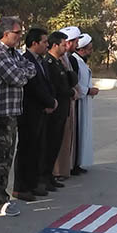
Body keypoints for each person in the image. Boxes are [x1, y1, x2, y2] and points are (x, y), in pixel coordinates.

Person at [0, 16, 36, 216]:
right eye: (17, 33)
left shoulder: (14, 53)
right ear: (5, 33)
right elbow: (17, 78)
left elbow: (30, 68)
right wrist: (22, 72)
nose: (20, 36)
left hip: (11, 113)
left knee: (7, 158)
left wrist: (23, 72)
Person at [13, 27, 57, 202]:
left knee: (37, 149)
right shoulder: (26, 60)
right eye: (44, 42)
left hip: (41, 111)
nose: (47, 45)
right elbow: (33, 87)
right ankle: (20, 187)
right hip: (29, 112)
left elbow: (46, 84)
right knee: (26, 149)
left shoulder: (41, 61)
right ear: (34, 43)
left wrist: (51, 101)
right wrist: (48, 102)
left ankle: (32, 183)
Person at [42, 31, 75, 192]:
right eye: (63, 45)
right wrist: (70, 92)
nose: (65, 48)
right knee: (49, 145)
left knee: (56, 144)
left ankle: (49, 176)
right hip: (54, 110)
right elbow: (56, 87)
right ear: (55, 45)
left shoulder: (59, 62)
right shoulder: (48, 63)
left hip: (62, 109)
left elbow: (70, 80)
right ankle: (45, 177)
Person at [53, 25, 81, 179]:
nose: (77, 45)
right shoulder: (57, 60)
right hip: (59, 104)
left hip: (68, 102)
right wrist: (72, 92)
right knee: (59, 139)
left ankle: (63, 170)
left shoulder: (66, 58)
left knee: (65, 138)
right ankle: (56, 172)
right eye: (75, 42)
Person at [71, 33, 99, 172]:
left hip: (84, 101)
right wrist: (88, 91)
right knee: (77, 133)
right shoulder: (74, 61)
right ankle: (73, 164)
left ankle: (78, 162)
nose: (91, 51)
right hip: (78, 102)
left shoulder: (81, 61)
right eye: (89, 49)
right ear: (81, 49)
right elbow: (75, 83)